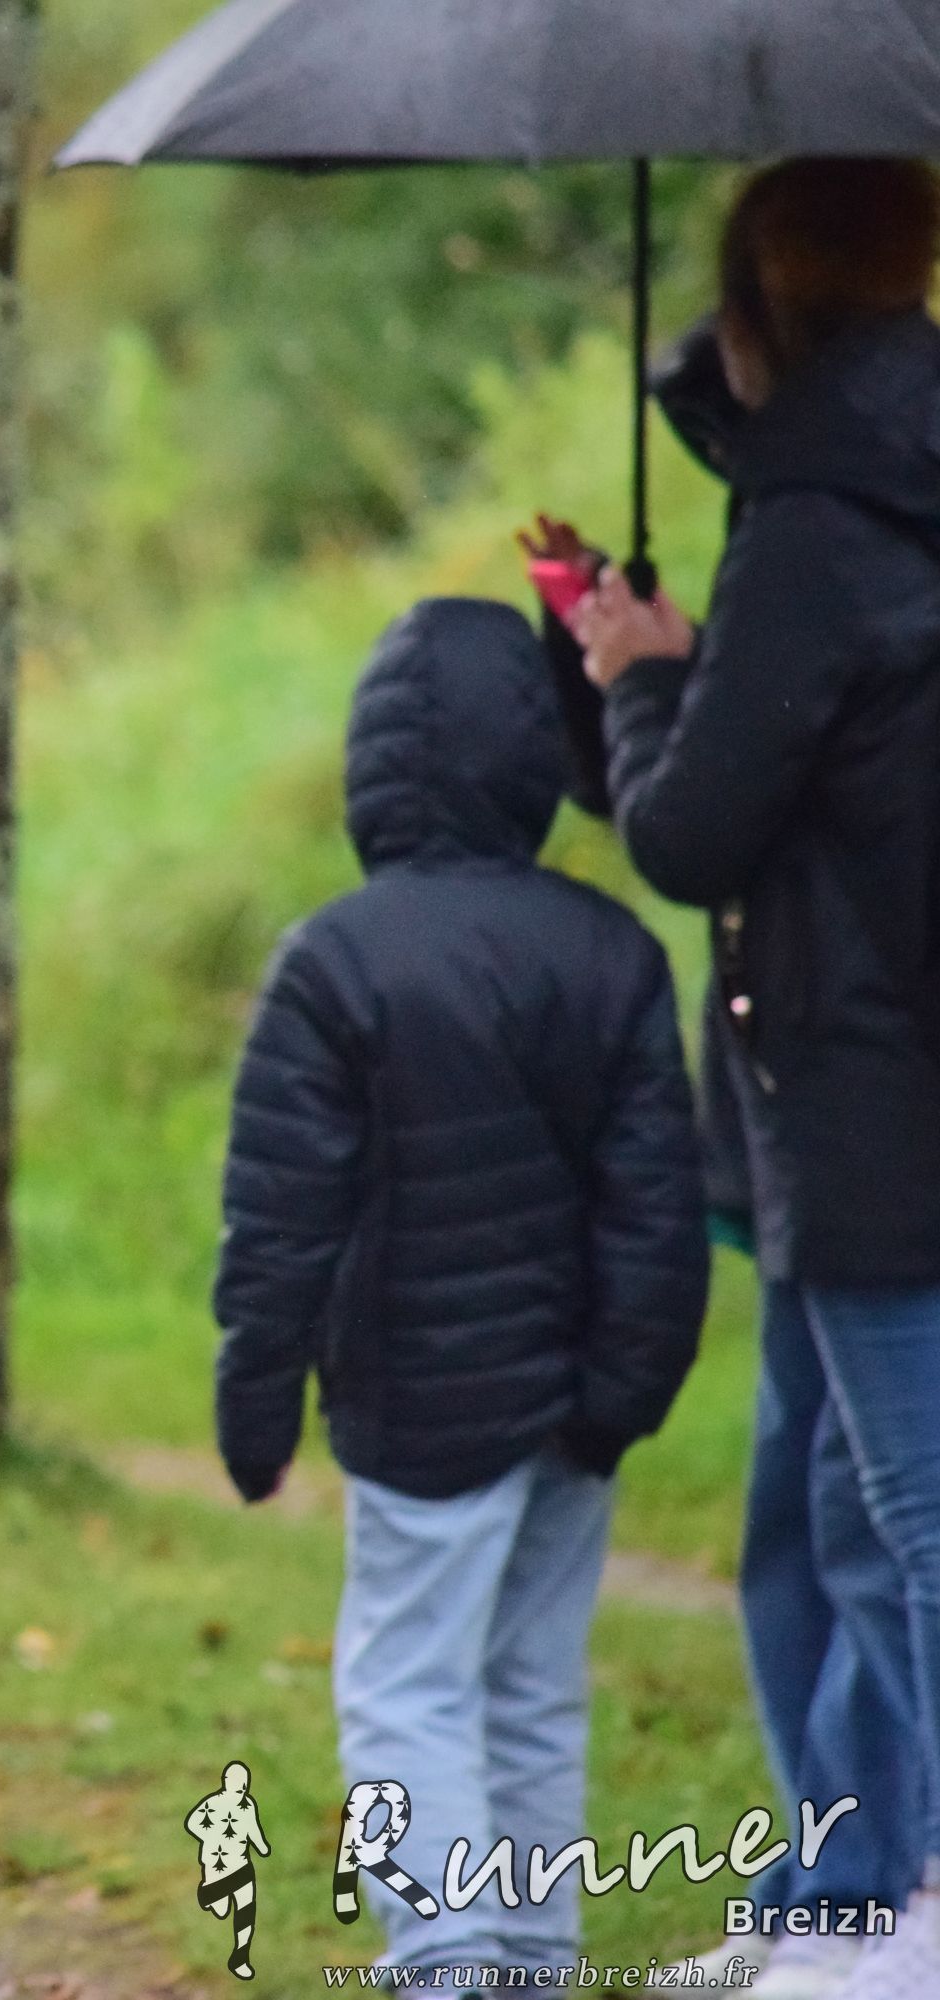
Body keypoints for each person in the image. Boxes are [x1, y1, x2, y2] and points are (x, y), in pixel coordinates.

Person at [213, 599, 710, 1982]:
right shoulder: (613, 951)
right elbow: (655, 1210)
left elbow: (280, 1220)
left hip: (417, 1401)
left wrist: (257, 1402)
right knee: (535, 1686)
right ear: (539, 761)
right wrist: (625, 1389)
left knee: (407, 1685)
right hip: (572, 1406)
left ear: (372, 768)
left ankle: (446, 1958)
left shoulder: (336, 962)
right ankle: (531, 1955)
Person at [577, 158, 940, 2000]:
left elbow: (691, 831)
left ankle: (896, 1903)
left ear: (755, 312)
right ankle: (842, 1895)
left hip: (866, 1104)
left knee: (903, 1523)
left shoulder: (811, 527)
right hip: (850, 1088)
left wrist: (644, 681)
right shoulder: (886, 487)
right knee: (816, 1511)